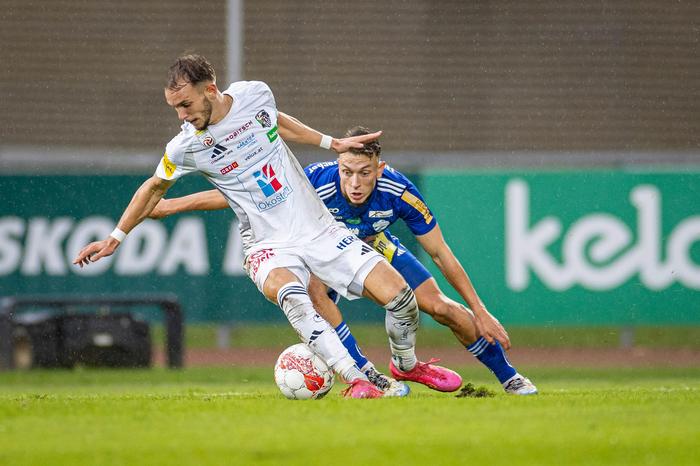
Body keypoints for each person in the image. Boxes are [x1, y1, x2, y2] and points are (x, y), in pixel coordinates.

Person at [72, 54, 461, 398]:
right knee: (293, 295)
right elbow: (154, 186)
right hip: (265, 244)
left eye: (186, 104)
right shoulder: (185, 146)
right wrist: (115, 237)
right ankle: (359, 379)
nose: (182, 116)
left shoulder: (255, 94)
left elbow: (275, 121)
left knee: (402, 299)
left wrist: (331, 143)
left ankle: (406, 365)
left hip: (319, 230)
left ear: (211, 89)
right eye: (174, 108)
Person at [150, 126, 538, 395]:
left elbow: (441, 253)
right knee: (315, 288)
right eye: (347, 172)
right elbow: (243, 197)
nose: (354, 182)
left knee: (443, 309)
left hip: (375, 247)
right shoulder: (314, 180)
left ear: (379, 169)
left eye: (364, 173)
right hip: (322, 252)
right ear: (338, 165)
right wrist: (171, 205)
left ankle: (506, 377)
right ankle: (365, 376)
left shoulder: (398, 191)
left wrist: (480, 309)